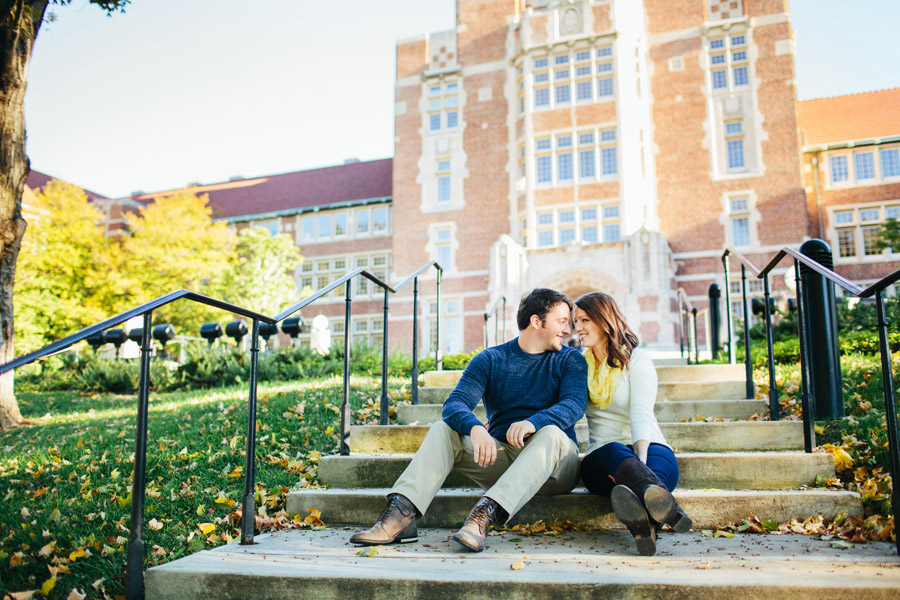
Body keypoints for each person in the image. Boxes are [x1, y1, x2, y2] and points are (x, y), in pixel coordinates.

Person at [350, 288, 587, 552]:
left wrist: (533, 422)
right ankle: (401, 516)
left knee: (552, 433)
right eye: (563, 321)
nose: (568, 330)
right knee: (443, 429)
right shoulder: (490, 359)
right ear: (536, 321)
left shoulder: (570, 359)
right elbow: (454, 404)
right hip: (504, 458)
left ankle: (483, 516)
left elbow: (574, 405)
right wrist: (475, 428)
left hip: (556, 467)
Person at [573, 292, 692, 556]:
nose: (577, 328)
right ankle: (669, 509)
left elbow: (640, 414)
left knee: (650, 478)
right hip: (602, 459)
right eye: (575, 321)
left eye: (584, 320)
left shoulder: (637, 359)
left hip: (650, 447)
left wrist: (638, 465)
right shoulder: (580, 365)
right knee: (614, 450)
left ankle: (645, 527)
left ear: (604, 320)